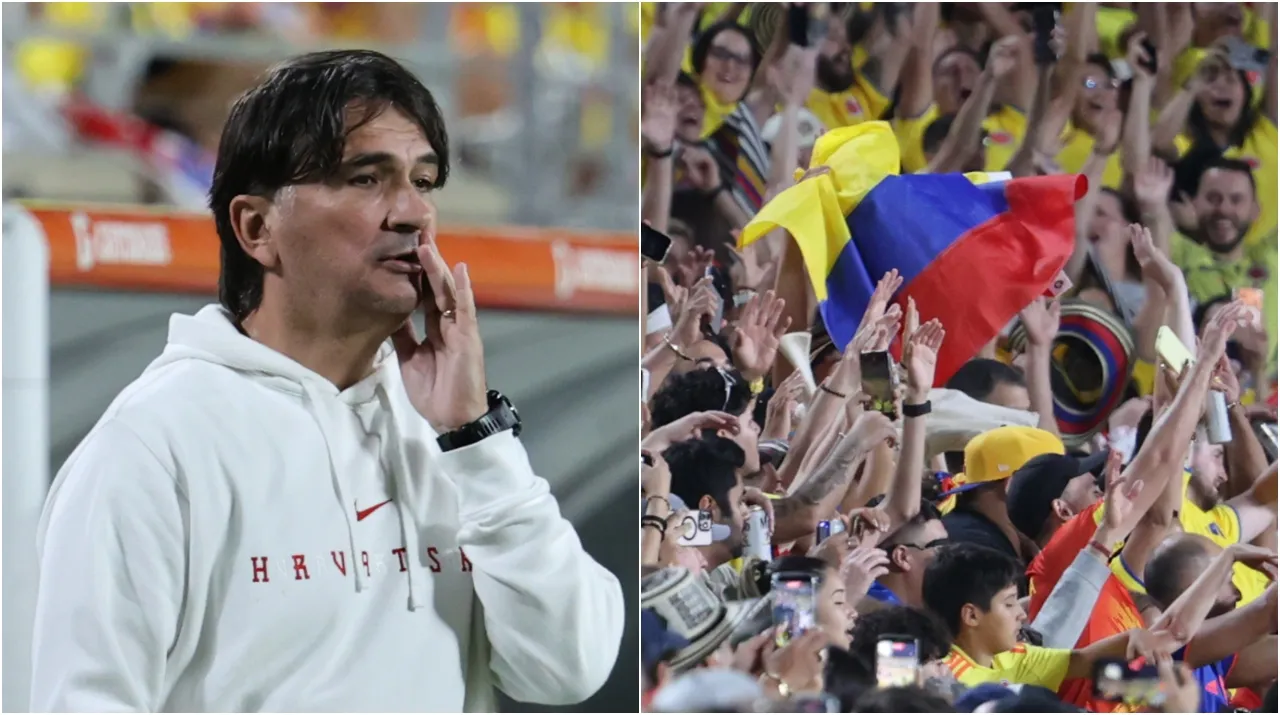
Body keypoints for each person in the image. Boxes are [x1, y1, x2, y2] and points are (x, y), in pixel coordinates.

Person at [30, 50, 623, 712]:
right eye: (366, 179)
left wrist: (476, 436)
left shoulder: (450, 434)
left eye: (423, 181)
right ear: (256, 227)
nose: (412, 214)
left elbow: (572, 667)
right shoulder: (152, 446)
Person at [923, 543, 1172, 692]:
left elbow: (1079, 661)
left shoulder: (1011, 657)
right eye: (1009, 604)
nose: (1021, 614)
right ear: (971, 615)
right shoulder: (945, 680)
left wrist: (1134, 637)